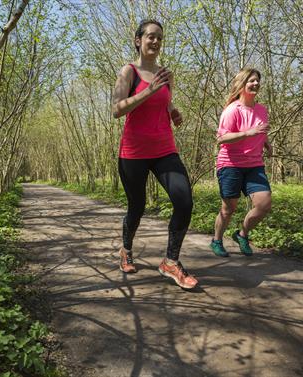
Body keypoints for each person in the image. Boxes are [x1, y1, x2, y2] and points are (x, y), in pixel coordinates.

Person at [112, 19, 198, 289]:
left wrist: (173, 111)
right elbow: (116, 109)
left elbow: (165, 99)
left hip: (164, 149)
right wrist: (147, 92)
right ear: (138, 40)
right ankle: (126, 249)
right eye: (150, 36)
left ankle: (171, 262)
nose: (156, 41)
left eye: (160, 37)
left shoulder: (166, 74)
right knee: (136, 206)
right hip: (133, 153)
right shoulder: (129, 72)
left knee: (184, 201)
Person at [210, 68, 272, 257]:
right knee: (229, 208)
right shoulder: (232, 110)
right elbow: (221, 139)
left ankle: (242, 235)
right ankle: (217, 240)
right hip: (231, 164)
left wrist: (267, 144)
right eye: (251, 81)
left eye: (257, 81)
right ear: (242, 84)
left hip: (254, 164)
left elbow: (260, 130)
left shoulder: (261, 109)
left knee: (264, 204)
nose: (255, 84)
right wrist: (248, 133)